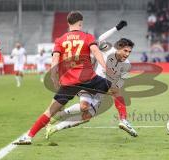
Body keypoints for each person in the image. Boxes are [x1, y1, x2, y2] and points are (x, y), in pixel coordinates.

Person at [14, 11, 126, 145]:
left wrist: (54, 76)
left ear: (68, 23)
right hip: (88, 78)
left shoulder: (60, 40)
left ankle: (29, 136)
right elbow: (96, 52)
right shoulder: (87, 36)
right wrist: (106, 69)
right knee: (116, 90)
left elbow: (55, 58)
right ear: (81, 23)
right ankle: (123, 120)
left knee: (50, 111)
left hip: (69, 82)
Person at [45, 30, 137, 139]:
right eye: (125, 50)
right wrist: (116, 28)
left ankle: (54, 128)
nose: (127, 54)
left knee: (86, 116)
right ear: (118, 48)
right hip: (91, 81)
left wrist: (111, 90)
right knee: (84, 106)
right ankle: (124, 119)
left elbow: (119, 83)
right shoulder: (108, 50)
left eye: (129, 52)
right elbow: (101, 38)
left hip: (103, 89)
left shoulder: (127, 66)